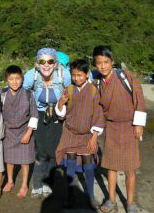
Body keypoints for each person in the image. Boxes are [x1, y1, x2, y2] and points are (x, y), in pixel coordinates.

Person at [93, 46, 147, 213]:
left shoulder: (125, 76)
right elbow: (98, 107)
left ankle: (130, 203)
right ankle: (111, 199)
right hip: (112, 128)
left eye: (106, 62)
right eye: (99, 63)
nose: (103, 66)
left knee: (130, 168)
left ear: (112, 62)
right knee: (111, 166)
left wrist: (139, 124)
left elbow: (139, 99)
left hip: (129, 126)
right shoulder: (97, 82)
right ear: (95, 64)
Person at [0, 65, 39, 199]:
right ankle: (10, 181)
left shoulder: (29, 94)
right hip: (8, 132)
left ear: (22, 79)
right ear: (6, 80)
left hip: (24, 131)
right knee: (9, 160)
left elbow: (34, 115)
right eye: (11, 79)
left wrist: (28, 133)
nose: (15, 82)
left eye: (17, 78)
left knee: (25, 161)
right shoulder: (2, 94)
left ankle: (24, 185)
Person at [55, 59, 105, 209]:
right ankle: (70, 196)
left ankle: (90, 196)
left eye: (80, 75)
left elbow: (98, 115)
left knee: (89, 166)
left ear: (87, 74)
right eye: (74, 75)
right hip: (70, 133)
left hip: (87, 135)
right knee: (70, 165)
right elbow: (61, 115)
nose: (76, 78)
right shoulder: (68, 90)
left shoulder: (94, 91)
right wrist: (60, 103)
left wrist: (94, 138)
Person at [23, 47, 71, 197]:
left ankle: (48, 183)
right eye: (42, 61)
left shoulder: (64, 74)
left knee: (53, 150)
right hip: (39, 114)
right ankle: (37, 183)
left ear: (55, 63)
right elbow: (20, 90)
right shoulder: (32, 75)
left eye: (50, 61)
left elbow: (71, 92)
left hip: (57, 114)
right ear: (37, 63)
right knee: (41, 150)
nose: (46, 65)